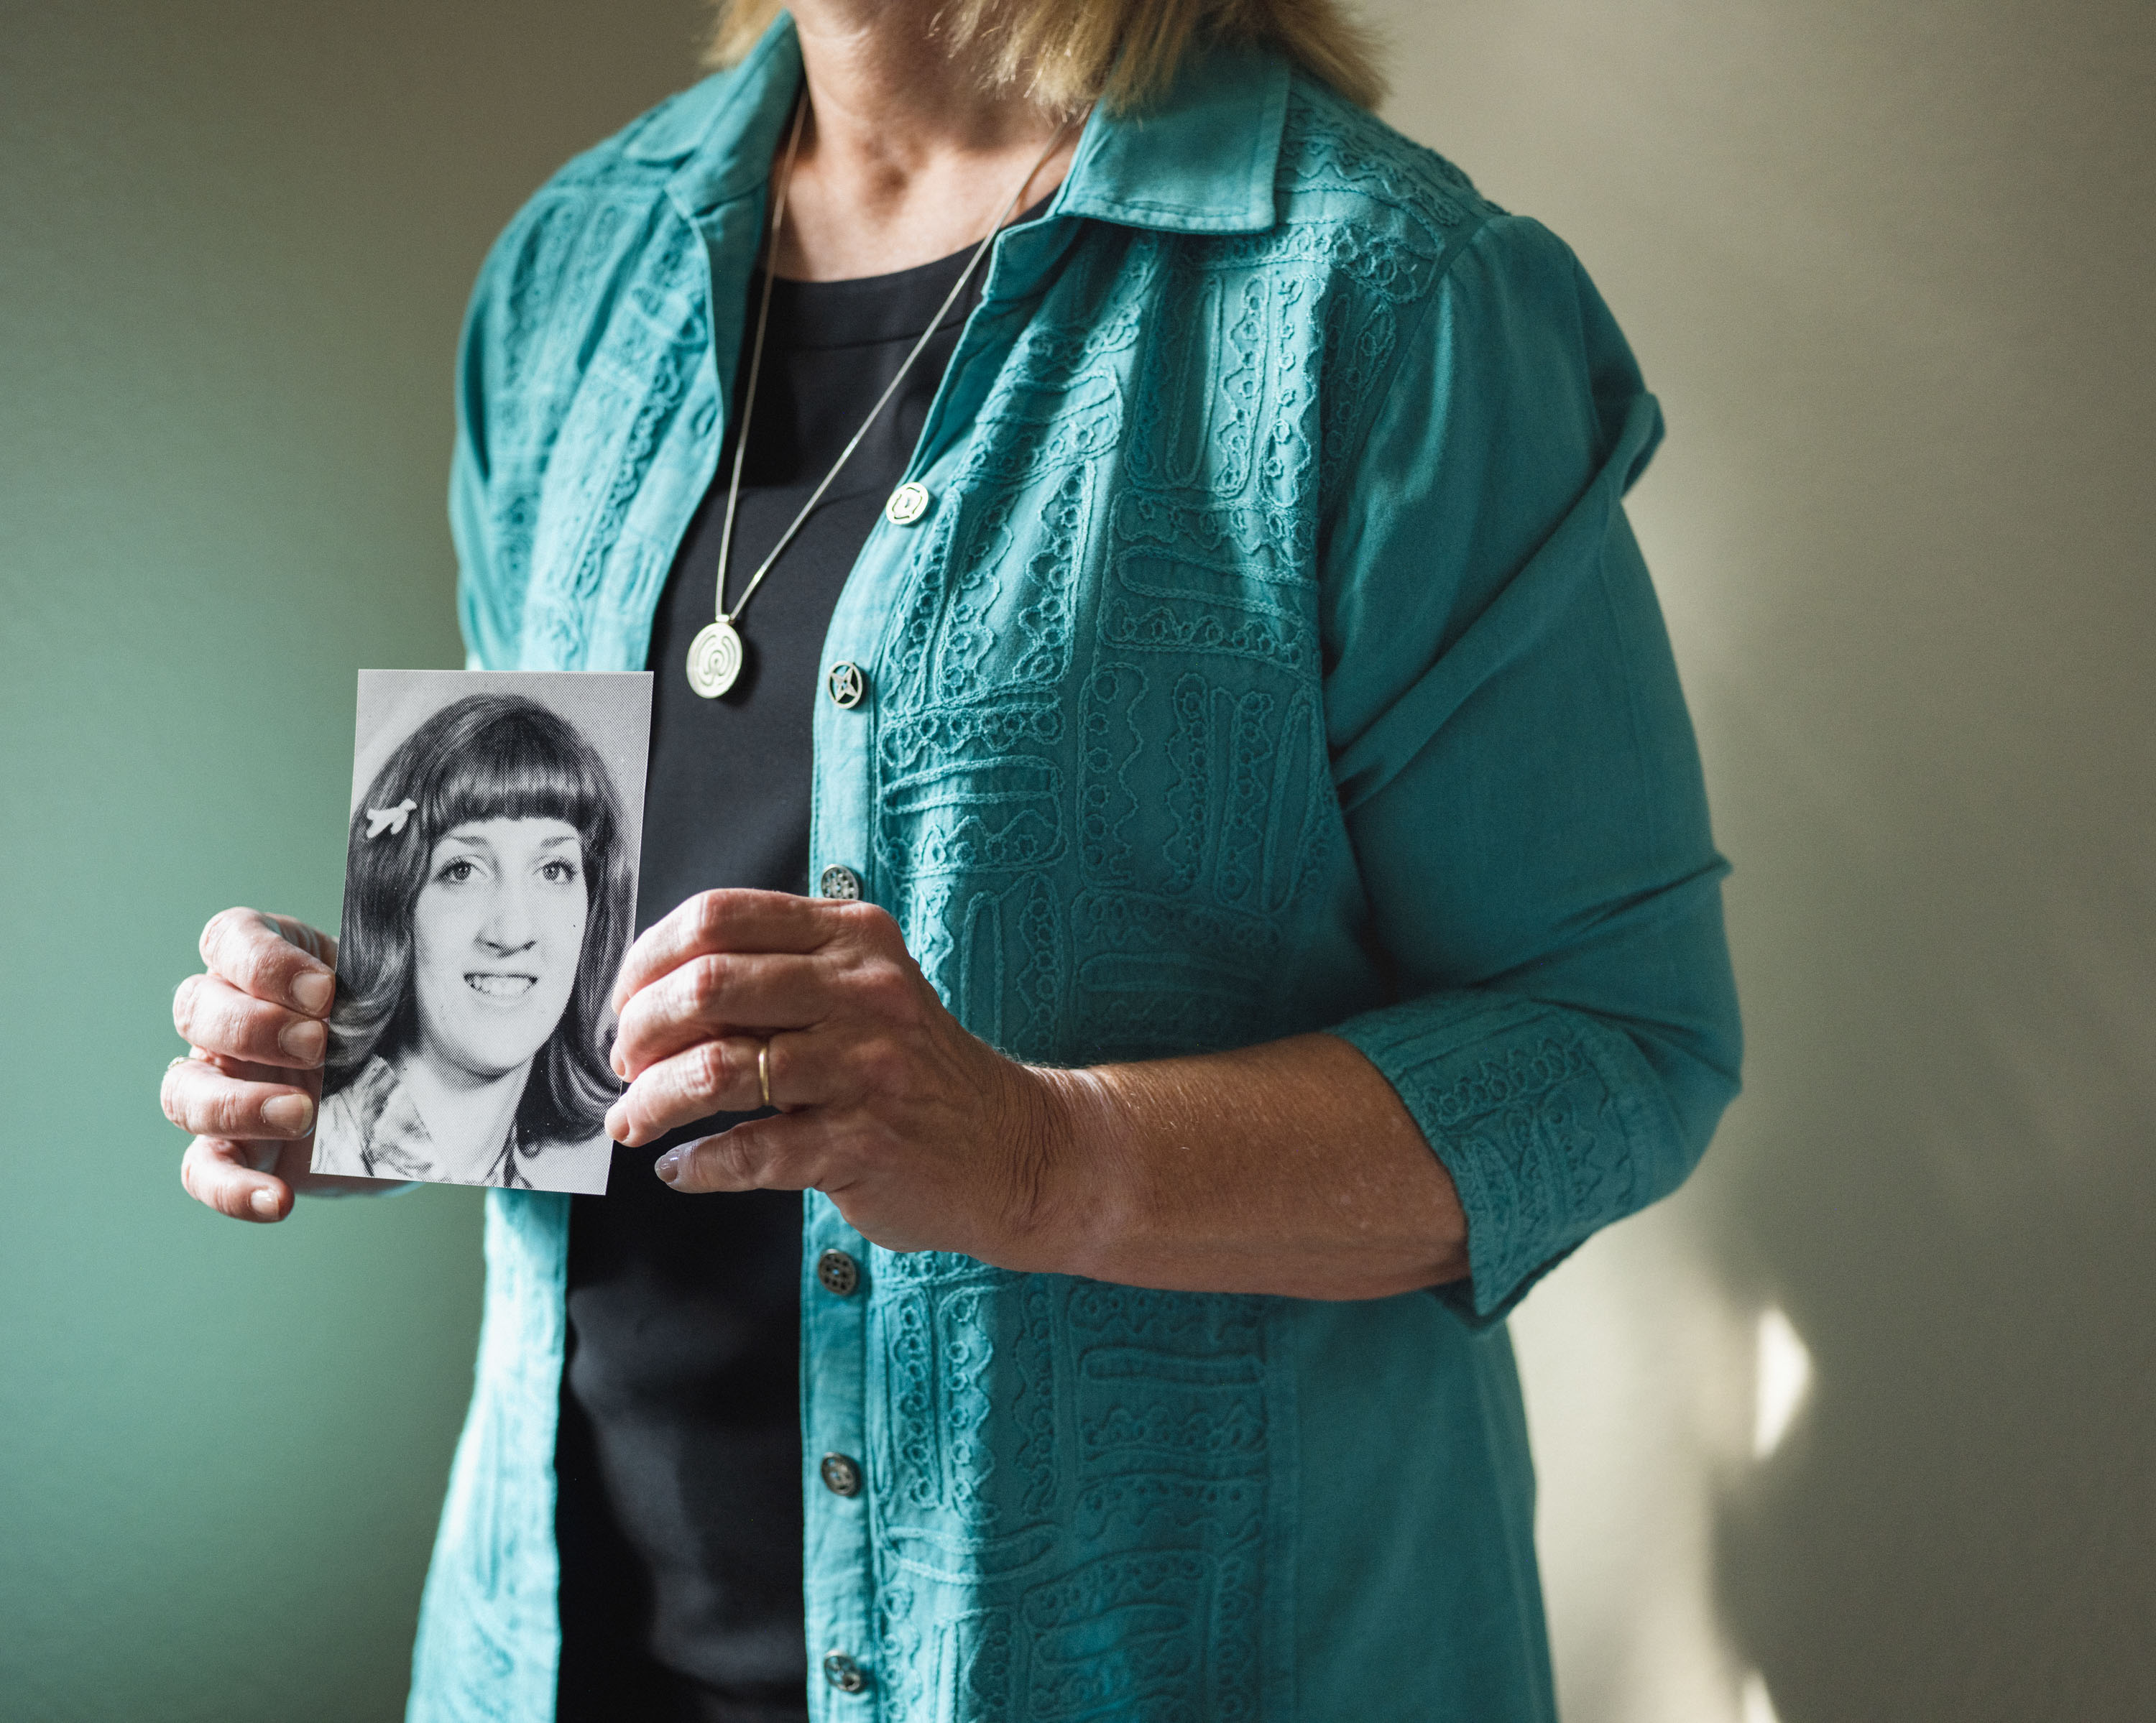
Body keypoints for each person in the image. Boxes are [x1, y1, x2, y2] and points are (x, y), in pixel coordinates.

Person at [160, 1, 1744, 1718]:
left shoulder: (1386, 303)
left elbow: (1616, 1048)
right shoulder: (571, 267)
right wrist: (406, 1057)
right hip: (552, 1660)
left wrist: (1049, 1154)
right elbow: (572, 971)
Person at [310, 693, 631, 1193]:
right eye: (462, 870)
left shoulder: (515, 1189)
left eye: (553, 870)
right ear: (396, 902)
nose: (511, 932)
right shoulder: (322, 1148)